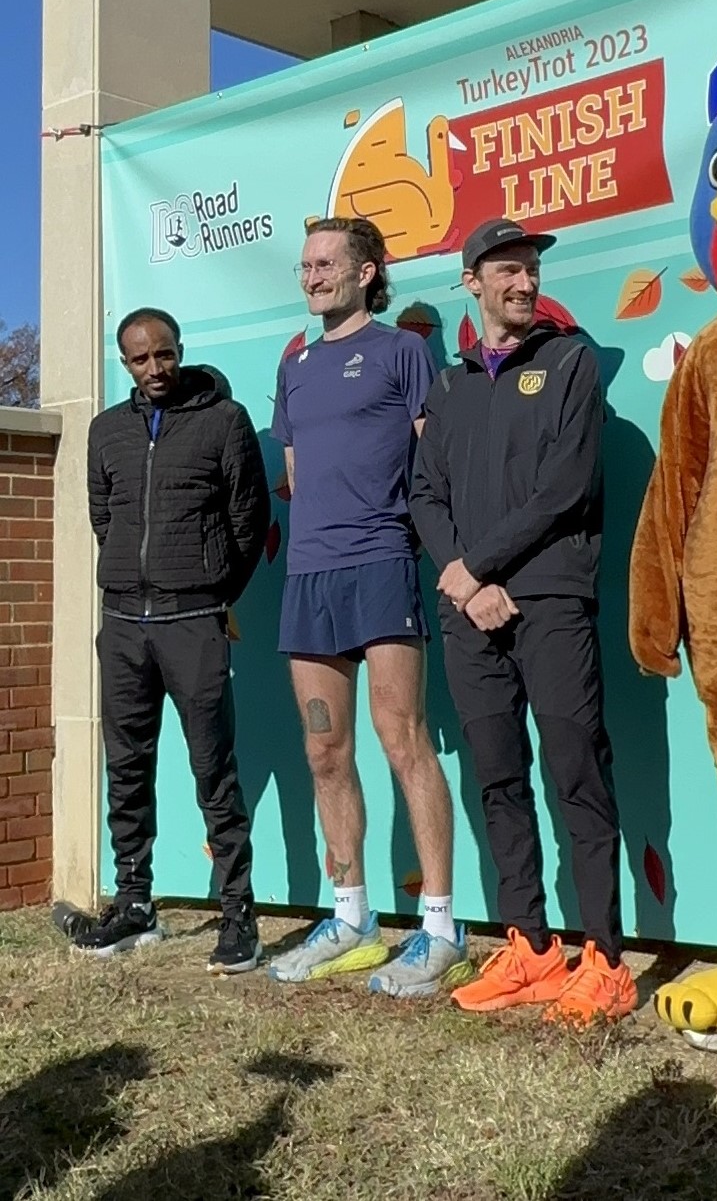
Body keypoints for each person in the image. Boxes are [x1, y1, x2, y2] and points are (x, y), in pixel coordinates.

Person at [409, 218, 638, 1024]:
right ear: (471, 281)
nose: (525, 281)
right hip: (470, 609)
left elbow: (567, 486)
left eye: (531, 269)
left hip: (548, 597)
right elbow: (424, 495)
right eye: (507, 268)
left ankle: (607, 958)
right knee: (499, 776)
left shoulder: (571, 361)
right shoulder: (450, 383)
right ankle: (534, 946)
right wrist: (465, 583)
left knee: (575, 768)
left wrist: (482, 567)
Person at [267, 215, 468, 996]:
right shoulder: (295, 368)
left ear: (365, 273)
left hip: (383, 563)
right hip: (310, 577)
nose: (313, 274)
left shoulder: (402, 351)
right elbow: (295, 472)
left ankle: (441, 929)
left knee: (402, 740)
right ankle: (350, 917)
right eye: (306, 263)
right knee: (325, 752)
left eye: (326, 263)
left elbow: (434, 463)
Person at [83, 308, 269, 971]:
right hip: (125, 622)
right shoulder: (105, 430)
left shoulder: (224, 420)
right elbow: (103, 515)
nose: (155, 368)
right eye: (140, 359)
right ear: (124, 362)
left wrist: (214, 588)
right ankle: (134, 904)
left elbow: (250, 518)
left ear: (180, 351)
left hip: (194, 620)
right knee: (127, 765)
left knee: (213, 769)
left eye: (164, 354)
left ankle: (238, 913)